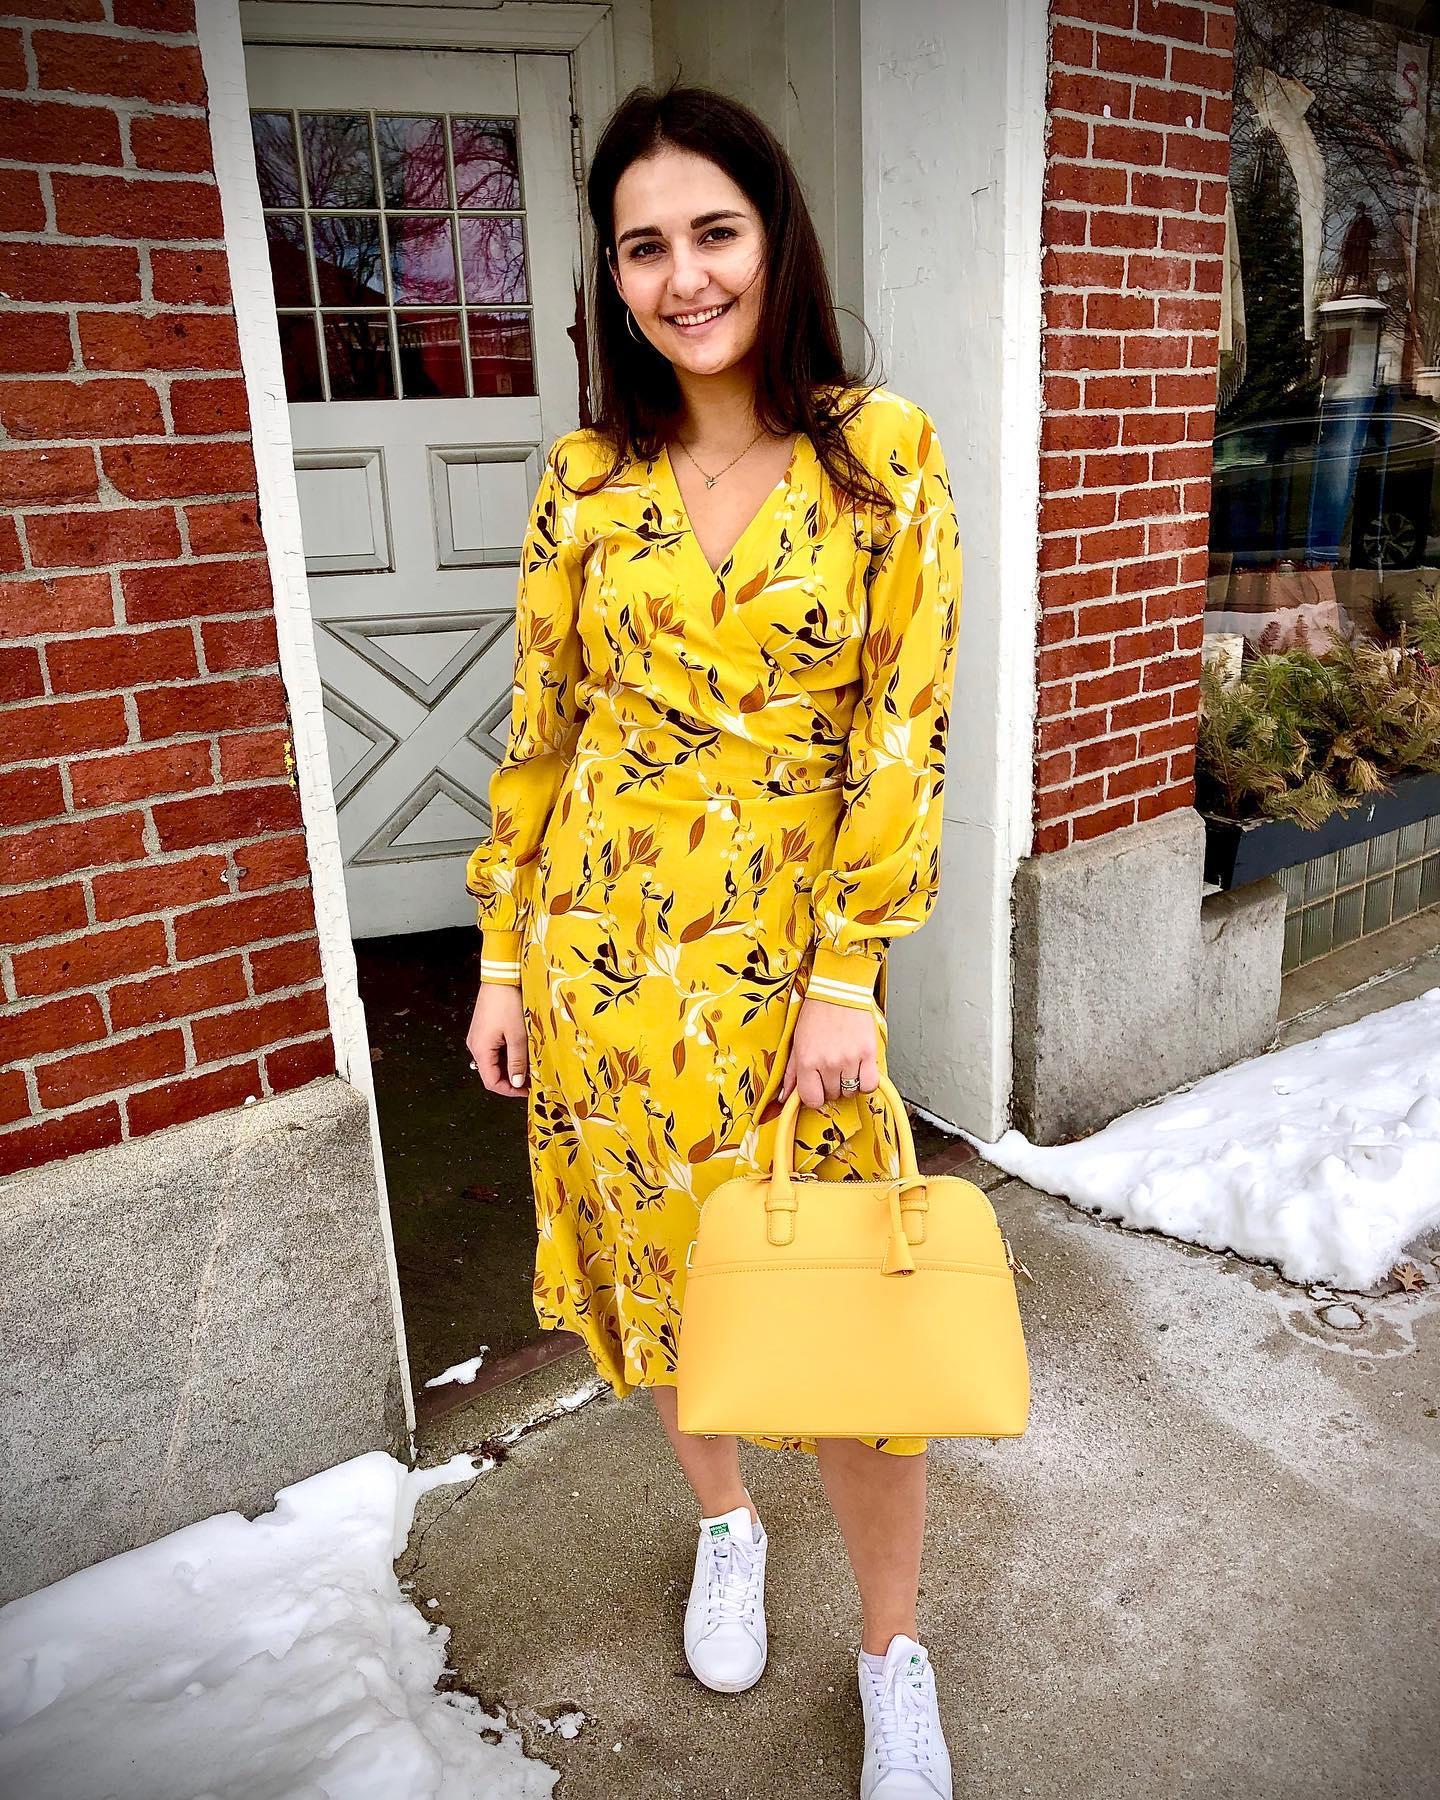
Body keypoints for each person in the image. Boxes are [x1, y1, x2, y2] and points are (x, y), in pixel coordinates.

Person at [465, 81, 962, 1800]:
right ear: (611, 277)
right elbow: (542, 737)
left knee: (854, 1349)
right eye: (644, 246)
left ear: (776, 237)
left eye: (715, 232)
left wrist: (849, 975)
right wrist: (504, 962)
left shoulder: (883, 457)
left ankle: (892, 1655)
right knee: (676, 1300)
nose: (684, 277)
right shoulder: (585, 482)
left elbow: (904, 737)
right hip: (608, 966)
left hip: (794, 991)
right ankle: (728, 1528)